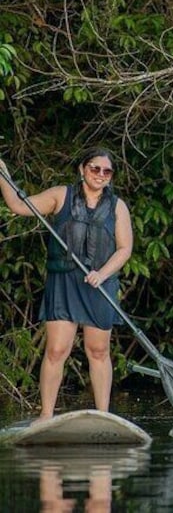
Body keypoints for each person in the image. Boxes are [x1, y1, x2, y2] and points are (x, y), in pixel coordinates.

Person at [0, 149, 132, 420]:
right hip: (65, 281)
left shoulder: (118, 206)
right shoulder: (61, 195)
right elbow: (18, 206)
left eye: (107, 172)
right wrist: (3, 174)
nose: (100, 175)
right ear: (83, 169)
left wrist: (102, 273)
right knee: (57, 350)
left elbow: (124, 249)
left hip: (99, 284)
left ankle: (103, 415)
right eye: (95, 169)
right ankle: (46, 415)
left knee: (98, 351)